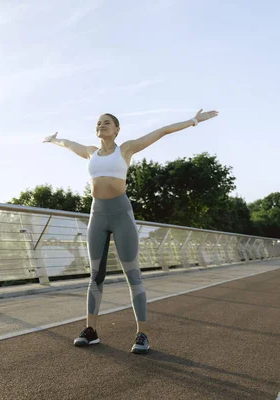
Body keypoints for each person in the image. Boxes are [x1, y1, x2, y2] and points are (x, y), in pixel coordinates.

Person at [43, 109, 219, 354]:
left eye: (107, 123)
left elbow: (161, 131)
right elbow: (68, 143)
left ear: (117, 130)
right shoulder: (90, 152)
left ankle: (142, 334)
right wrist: (54, 140)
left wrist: (193, 121)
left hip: (121, 215)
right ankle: (91, 331)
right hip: (97, 216)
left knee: (132, 276)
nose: (102, 125)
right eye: (99, 123)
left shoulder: (125, 149)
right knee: (95, 276)